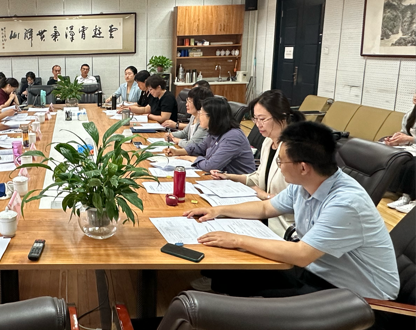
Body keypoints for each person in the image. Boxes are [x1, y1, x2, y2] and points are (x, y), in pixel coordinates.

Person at [184, 121, 400, 304]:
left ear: (303, 167)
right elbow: (265, 207)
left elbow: (301, 254)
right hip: (317, 274)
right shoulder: (305, 183)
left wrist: (236, 239)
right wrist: (217, 210)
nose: (278, 165)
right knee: (234, 276)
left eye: (281, 161)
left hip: (361, 300)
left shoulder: (346, 202)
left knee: (252, 302)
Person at [211, 90, 305, 234]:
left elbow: (296, 200)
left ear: (282, 117)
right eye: (255, 119)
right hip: (262, 216)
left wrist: (263, 195)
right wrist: (229, 176)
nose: (258, 124)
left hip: (284, 225)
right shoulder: (268, 142)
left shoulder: (294, 149)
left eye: (262, 119)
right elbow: (258, 177)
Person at [165, 96, 255, 174]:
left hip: (238, 184)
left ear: (212, 117)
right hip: (220, 178)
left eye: (201, 113)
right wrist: (177, 152)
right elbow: (200, 148)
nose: (199, 117)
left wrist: (191, 159)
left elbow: (210, 165)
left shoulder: (232, 137)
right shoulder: (215, 131)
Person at [385, 91, 416, 213]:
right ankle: (404, 195)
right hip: (413, 148)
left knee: (412, 164)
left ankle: (412, 199)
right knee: (387, 151)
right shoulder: (410, 113)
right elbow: (405, 133)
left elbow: (410, 138)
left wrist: (409, 139)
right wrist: (396, 141)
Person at [166, 86, 213, 150]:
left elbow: (192, 144)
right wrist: (171, 135)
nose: (186, 104)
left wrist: (179, 141)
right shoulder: (193, 116)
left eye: (190, 102)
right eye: (187, 101)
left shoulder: (204, 121)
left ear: (199, 103)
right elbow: (184, 133)